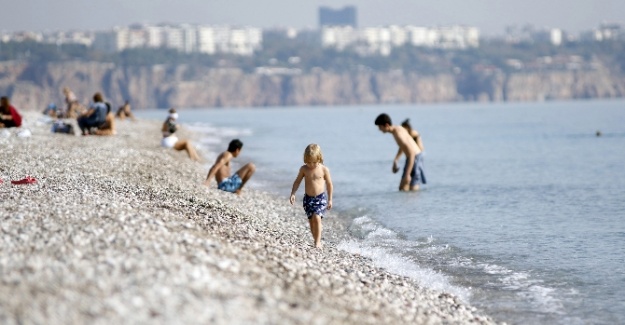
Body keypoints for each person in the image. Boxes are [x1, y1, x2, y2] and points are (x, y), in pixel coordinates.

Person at [289, 144, 334, 248]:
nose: (311, 165)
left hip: (320, 198)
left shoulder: (324, 169)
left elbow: (329, 184)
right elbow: (297, 182)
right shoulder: (304, 169)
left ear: (319, 159)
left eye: (314, 162)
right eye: (308, 162)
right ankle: (315, 238)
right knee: (311, 220)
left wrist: (330, 199)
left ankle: (318, 242)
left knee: (317, 217)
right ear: (305, 160)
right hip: (308, 199)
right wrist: (293, 193)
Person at [375, 113, 426, 191]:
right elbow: (403, 146)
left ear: (386, 125)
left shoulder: (398, 133)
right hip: (411, 157)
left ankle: (416, 202)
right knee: (402, 188)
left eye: (380, 127)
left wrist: (407, 174)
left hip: (415, 157)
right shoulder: (397, 129)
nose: (379, 129)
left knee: (412, 187)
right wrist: (396, 160)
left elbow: (411, 152)